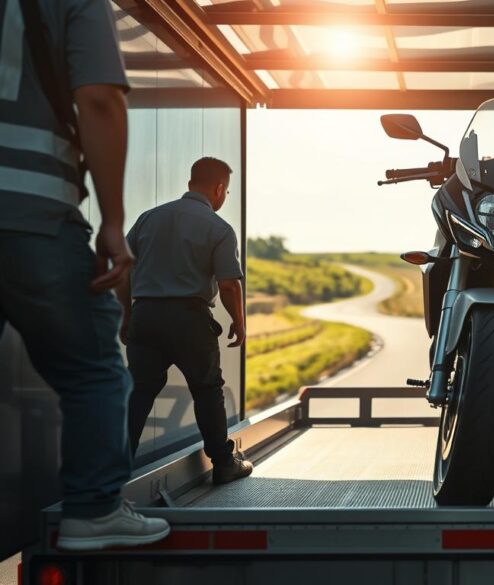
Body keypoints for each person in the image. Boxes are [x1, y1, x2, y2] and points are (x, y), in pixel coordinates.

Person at [0, 0, 169, 550]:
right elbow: (97, 98)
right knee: (93, 368)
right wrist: (112, 223)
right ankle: (93, 509)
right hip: (31, 211)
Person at [117, 157, 253, 484]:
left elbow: (123, 270)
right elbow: (228, 283)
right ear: (219, 189)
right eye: (227, 191)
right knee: (207, 389)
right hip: (189, 319)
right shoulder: (218, 227)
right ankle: (223, 463)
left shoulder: (148, 219)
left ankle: (114, 475)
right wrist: (239, 321)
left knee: (136, 393)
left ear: (191, 182)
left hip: (146, 316)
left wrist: (127, 315)